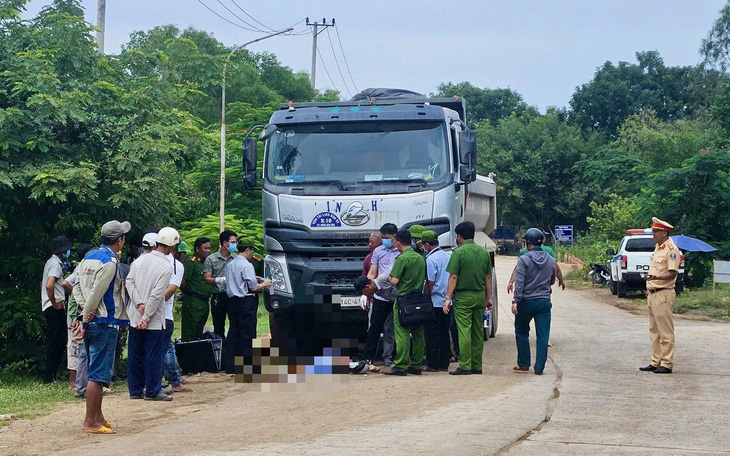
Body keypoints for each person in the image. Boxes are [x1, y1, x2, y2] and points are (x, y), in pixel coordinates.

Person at [73, 220, 131, 434]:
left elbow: (77, 286)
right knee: (98, 375)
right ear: (120, 240)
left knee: (94, 369)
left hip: (92, 318)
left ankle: (98, 416)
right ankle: (90, 422)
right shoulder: (110, 262)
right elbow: (98, 293)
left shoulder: (88, 257)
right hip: (104, 322)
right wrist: (87, 319)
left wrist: (83, 309)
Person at [125, 227, 176, 402]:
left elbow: (129, 282)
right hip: (152, 319)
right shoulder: (166, 266)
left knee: (135, 353)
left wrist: (139, 304)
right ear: (170, 247)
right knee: (153, 355)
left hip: (135, 315)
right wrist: (146, 316)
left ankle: (135, 389)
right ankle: (153, 391)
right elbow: (157, 295)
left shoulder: (139, 260)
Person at [443, 221, 493, 375]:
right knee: (477, 331)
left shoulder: (458, 253)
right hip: (479, 296)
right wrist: (488, 298)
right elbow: (488, 278)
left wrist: (448, 298)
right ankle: (477, 365)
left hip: (464, 297)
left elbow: (453, 277)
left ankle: (465, 365)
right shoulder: (484, 252)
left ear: (459, 236)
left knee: (464, 331)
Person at [223, 238, 272, 375]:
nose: (252, 253)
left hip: (232, 301)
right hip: (245, 301)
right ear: (248, 250)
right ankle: (248, 366)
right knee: (248, 333)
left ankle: (231, 367)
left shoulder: (230, 264)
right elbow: (253, 287)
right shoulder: (247, 265)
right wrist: (265, 283)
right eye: (252, 250)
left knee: (234, 332)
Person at [511, 227, 556, 375]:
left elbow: (520, 283)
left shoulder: (524, 259)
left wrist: (515, 301)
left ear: (528, 243)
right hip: (543, 301)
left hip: (526, 302)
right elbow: (552, 280)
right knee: (543, 335)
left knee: (521, 330)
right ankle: (539, 368)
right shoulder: (551, 260)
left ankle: (524, 364)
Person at [639, 217, 681, 374]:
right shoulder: (658, 248)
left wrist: (655, 279)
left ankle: (667, 363)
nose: (653, 235)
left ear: (664, 233)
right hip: (653, 293)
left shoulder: (671, 250)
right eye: (653, 232)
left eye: (656, 232)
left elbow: (672, 274)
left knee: (665, 331)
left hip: (663, 293)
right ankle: (655, 361)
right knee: (654, 330)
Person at [384, 229, 427, 376]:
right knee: (418, 333)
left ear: (398, 242)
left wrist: (388, 278)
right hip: (418, 299)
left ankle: (400, 365)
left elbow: (394, 280)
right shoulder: (420, 258)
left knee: (402, 333)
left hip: (403, 300)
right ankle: (416, 365)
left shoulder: (401, 259)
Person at [61, 244, 95, 394]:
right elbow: (65, 283)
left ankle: (81, 383)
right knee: (76, 348)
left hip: (81, 314)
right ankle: (74, 382)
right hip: (77, 316)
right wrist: (80, 306)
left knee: (81, 349)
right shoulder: (82, 268)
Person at [367, 223, 399, 365]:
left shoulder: (402, 251)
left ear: (395, 237)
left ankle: (388, 356)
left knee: (391, 329)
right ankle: (368, 357)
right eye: (383, 237)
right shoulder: (378, 251)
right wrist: (367, 289)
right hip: (380, 295)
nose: (385, 240)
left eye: (387, 237)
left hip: (396, 296)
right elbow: (373, 272)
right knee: (374, 327)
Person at [41, 235, 72, 384]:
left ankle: (51, 374)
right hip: (54, 307)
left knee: (56, 340)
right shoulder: (55, 264)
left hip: (48, 305)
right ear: (63, 251)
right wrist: (54, 302)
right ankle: (50, 376)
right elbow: (49, 284)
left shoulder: (50, 262)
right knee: (56, 341)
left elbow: (42, 283)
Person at [353, 267, 398, 364]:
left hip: (398, 301)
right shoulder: (375, 292)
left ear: (367, 287)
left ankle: (397, 357)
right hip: (382, 301)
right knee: (374, 328)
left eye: (362, 293)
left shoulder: (385, 278)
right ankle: (367, 358)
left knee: (397, 328)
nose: (364, 295)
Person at [422, 230, 452, 372]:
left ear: (427, 244)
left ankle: (432, 363)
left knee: (432, 334)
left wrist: (424, 296)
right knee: (444, 333)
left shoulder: (430, 260)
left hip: (434, 302)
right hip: (447, 301)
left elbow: (431, 282)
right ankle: (444, 362)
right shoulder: (447, 256)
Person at [162, 242, 190, 393]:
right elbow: (171, 290)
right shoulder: (176, 266)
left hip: (144, 311)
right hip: (162, 313)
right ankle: (174, 380)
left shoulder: (142, 261)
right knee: (167, 348)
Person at [203, 230, 238, 340]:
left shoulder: (236, 258)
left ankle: (232, 350)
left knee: (235, 324)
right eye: (232, 242)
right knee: (218, 326)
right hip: (218, 296)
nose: (235, 244)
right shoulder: (211, 259)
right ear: (224, 243)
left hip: (233, 296)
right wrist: (220, 280)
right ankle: (221, 352)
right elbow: (207, 278)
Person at [181, 237, 214, 341]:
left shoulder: (207, 263)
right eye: (205, 248)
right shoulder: (191, 263)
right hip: (193, 301)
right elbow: (182, 282)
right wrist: (190, 293)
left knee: (199, 332)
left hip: (204, 302)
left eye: (209, 248)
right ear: (197, 249)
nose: (208, 251)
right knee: (190, 332)